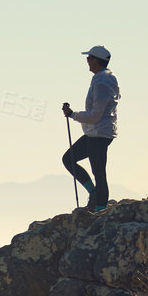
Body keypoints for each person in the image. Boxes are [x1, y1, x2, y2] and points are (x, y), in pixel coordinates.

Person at [61, 45, 119, 211]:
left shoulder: (102, 81)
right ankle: (95, 196)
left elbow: (95, 115)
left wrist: (73, 114)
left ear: (96, 60)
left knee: (98, 171)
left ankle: (100, 209)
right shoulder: (103, 77)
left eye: (89, 58)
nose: (87, 61)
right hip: (97, 132)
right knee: (70, 159)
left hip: (99, 133)